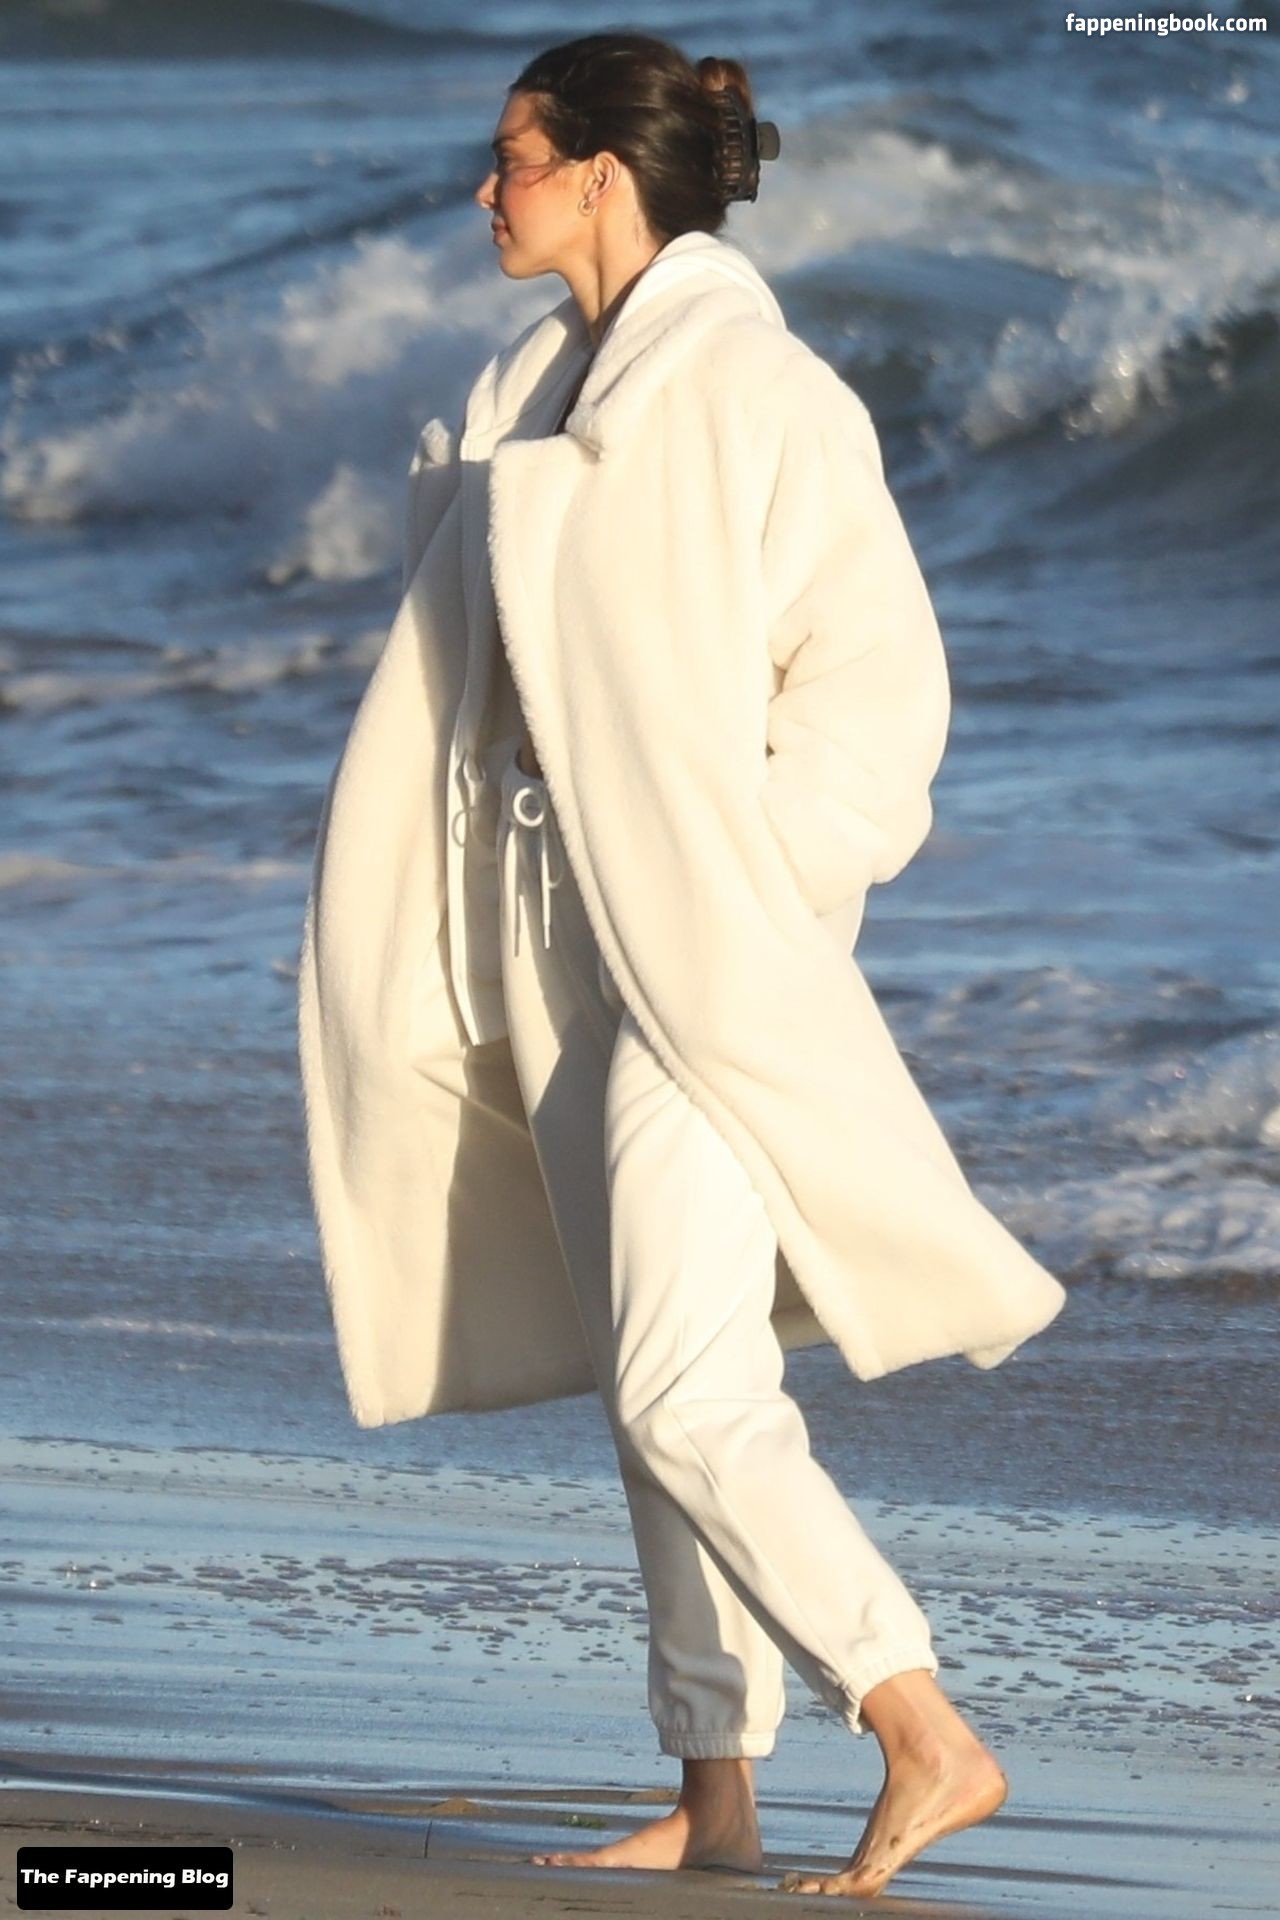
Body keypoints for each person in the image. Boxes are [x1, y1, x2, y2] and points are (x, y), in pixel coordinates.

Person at [297, 28, 1066, 1903]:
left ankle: (921, 1726)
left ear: (600, 176)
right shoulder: (530, 388)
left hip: (704, 954)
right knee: (658, 1373)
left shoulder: (759, 389)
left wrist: (746, 894)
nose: (484, 191)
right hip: (546, 942)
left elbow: (880, 702)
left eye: (512, 159)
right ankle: (714, 1791)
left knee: (680, 1390)